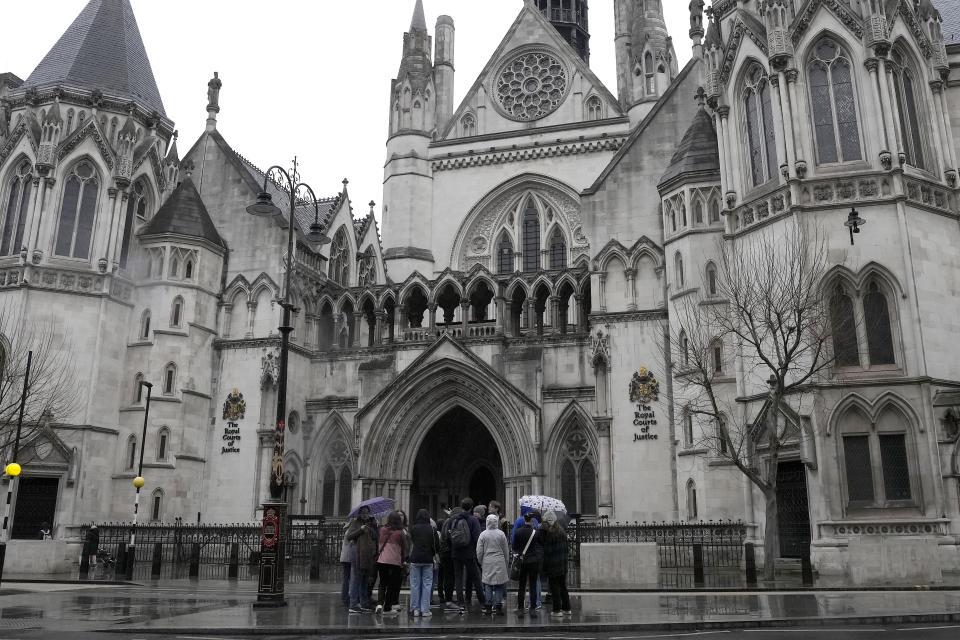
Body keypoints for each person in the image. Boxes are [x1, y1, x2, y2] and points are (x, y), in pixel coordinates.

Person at [449, 498, 485, 612]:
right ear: (471, 507)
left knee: (458, 579)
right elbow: (477, 537)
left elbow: (449, 535)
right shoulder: (473, 520)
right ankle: (483, 602)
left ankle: (461, 603)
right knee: (476, 578)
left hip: (456, 553)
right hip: (469, 553)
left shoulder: (453, 519)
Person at [346, 506, 378, 613]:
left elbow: (375, 536)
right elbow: (349, 536)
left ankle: (364, 603)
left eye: (367, 512)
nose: (365, 514)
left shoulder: (371, 523)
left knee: (365, 577)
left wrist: (374, 526)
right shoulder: (355, 523)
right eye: (363, 513)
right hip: (357, 552)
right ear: (359, 514)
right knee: (357, 577)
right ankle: (353, 604)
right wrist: (361, 529)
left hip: (368, 554)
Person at [476, 514, 510, 615]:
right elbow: (506, 550)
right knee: (499, 584)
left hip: (487, 561)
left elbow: (479, 551)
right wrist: (506, 562)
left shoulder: (483, 534)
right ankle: (498, 606)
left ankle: (488, 606)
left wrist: (481, 561)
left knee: (488, 584)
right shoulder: (501, 534)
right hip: (500, 561)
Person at [540, 510, 571, 617]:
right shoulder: (561, 531)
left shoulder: (550, 533)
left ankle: (557, 610)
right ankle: (567, 608)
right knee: (563, 586)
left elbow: (548, 551)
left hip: (553, 565)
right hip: (562, 564)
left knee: (555, 587)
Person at [511, 511, 544, 615]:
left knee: (522, 586)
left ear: (524, 520)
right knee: (533, 585)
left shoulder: (518, 532)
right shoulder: (536, 532)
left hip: (522, 561)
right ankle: (533, 608)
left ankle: (520, 608)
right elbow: (541, 544)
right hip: (533, 561)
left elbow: (514, 546)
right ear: (531, 520)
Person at [375, 511, 407, 615]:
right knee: (391, 585)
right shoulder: (400, 532)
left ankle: (379, 604)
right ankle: (387, 608)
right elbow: (404, 548)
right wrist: (403, 560)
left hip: (382, 561)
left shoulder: (382, 530)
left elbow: (379, 545)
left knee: (382, 583)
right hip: (394, 562)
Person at [408, 509, 438, 617]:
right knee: (427, 584)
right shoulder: (432, 529)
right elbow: (436, 546)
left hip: (415, 558)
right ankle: (425, 610)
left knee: (415, 584)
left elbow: (412, 542)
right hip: (428, 559)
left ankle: (415, 609)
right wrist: (434, 554)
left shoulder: (413, 528)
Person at [439, 508, 459, 610]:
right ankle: (448, 600)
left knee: (449, 576)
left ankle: (449, 598)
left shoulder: (448, 521)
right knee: (449, 577)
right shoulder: (450, 522)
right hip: (448, 553)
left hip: (446, 553)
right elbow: (448, 537)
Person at [339, 520, 356, 608]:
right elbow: (351, 542)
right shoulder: (352, 529)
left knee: (347, 578)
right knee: (349, 578)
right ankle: (346, 598)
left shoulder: (348, 528)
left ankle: (345, 597)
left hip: (345, 557)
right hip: (349, 557)